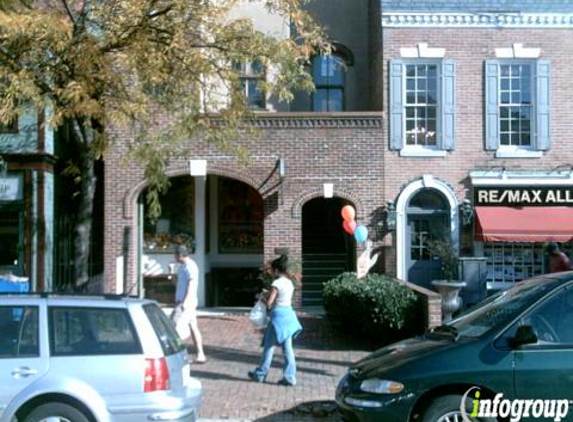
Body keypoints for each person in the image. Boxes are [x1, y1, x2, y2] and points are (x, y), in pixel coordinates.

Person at [248, 255, 302, 386]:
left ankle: (261, 374)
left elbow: (270, 303)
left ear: (277, 270)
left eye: (273, 270)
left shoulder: (276, 283)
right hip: (288, 314)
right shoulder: (289, 283)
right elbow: (284, 298)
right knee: (287, 349)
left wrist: (263, 297)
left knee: (269, 346)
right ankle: (290, 377)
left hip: (278, 316)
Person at [171, 245, 206, 363]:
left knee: (175, 328)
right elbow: (178, 284)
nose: (174, 256)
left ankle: (181, 355)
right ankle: (200, 354)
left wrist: (184, 303)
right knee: (193, 327)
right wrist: (171, 273)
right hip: (184, 301)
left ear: (180, 255)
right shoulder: (183, 267)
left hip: (186, 303)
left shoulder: (190, 266)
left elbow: (191, 286)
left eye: (175, 254)